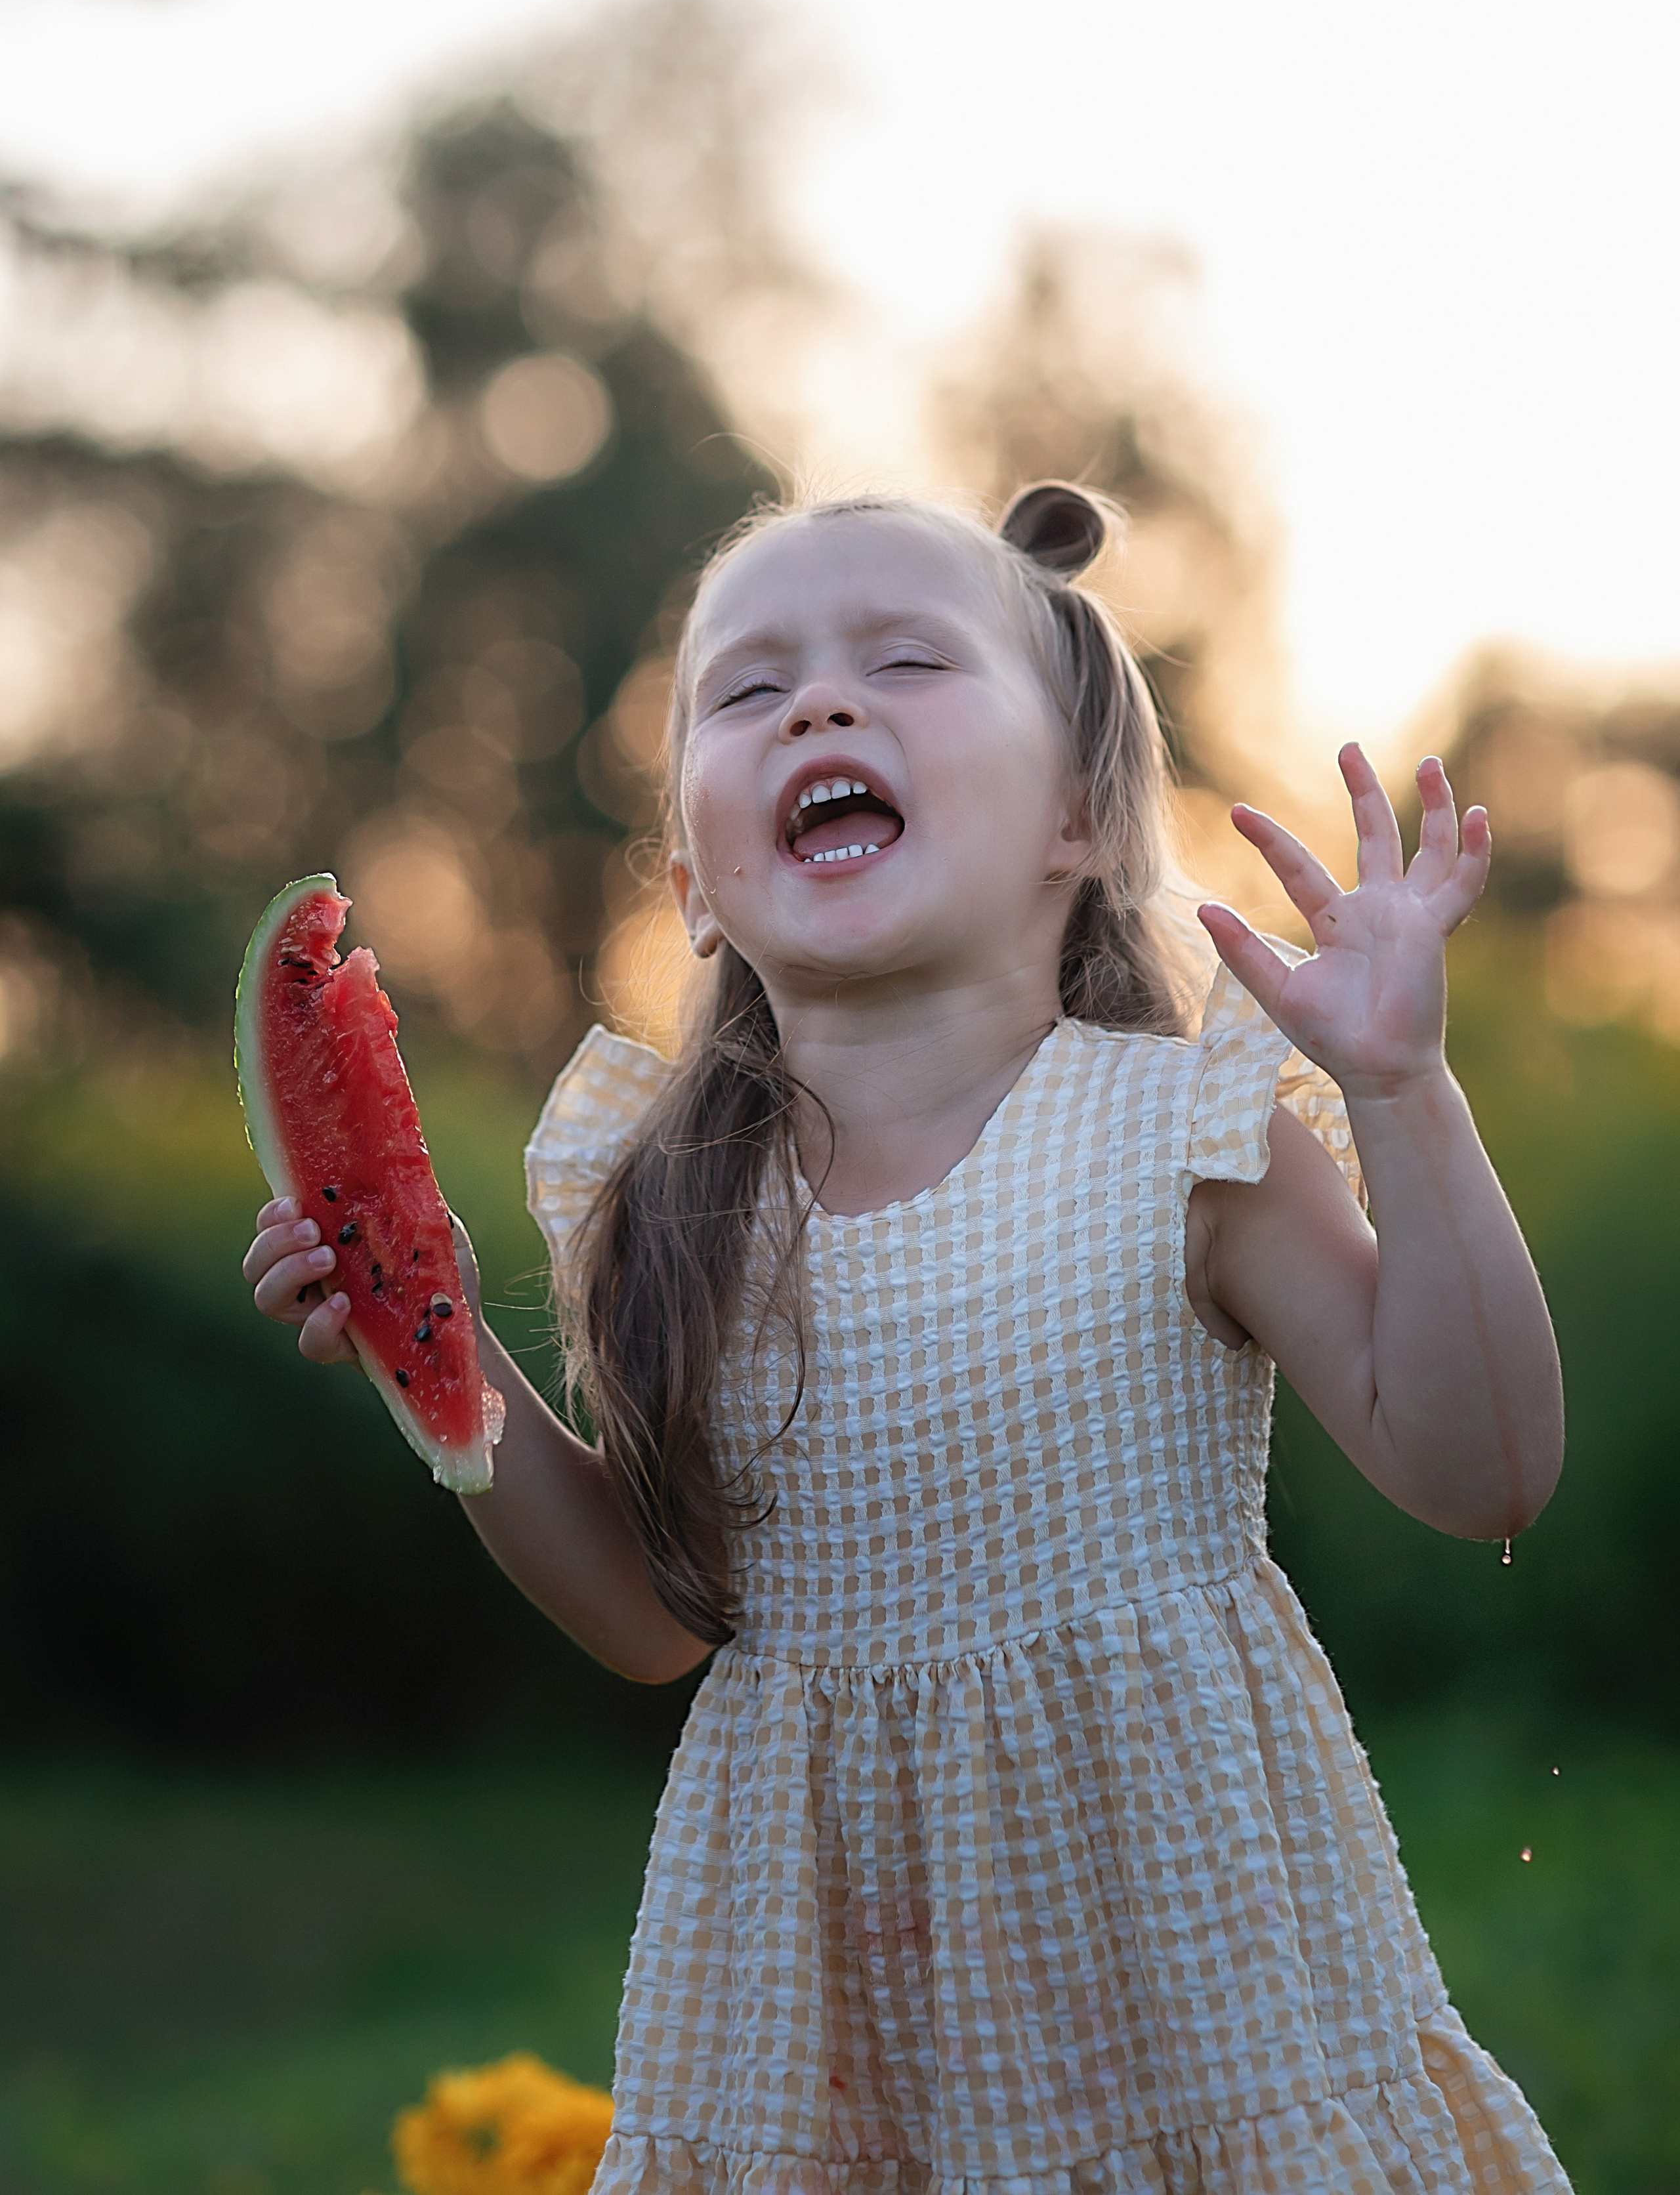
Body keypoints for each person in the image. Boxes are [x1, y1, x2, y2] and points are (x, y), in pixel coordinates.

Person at [244, 484, 1570, 2190]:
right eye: (746, 689)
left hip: (1195, 1982)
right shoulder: (673, 1205)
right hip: (820, 2019)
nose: (818, 703)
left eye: (905, 661)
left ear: (1078, 816)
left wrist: (1404, 1089)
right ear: (694, 886)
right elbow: (654, 1619)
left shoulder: (1182, 1140)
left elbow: (1487, 1469)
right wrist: (424, 1344)